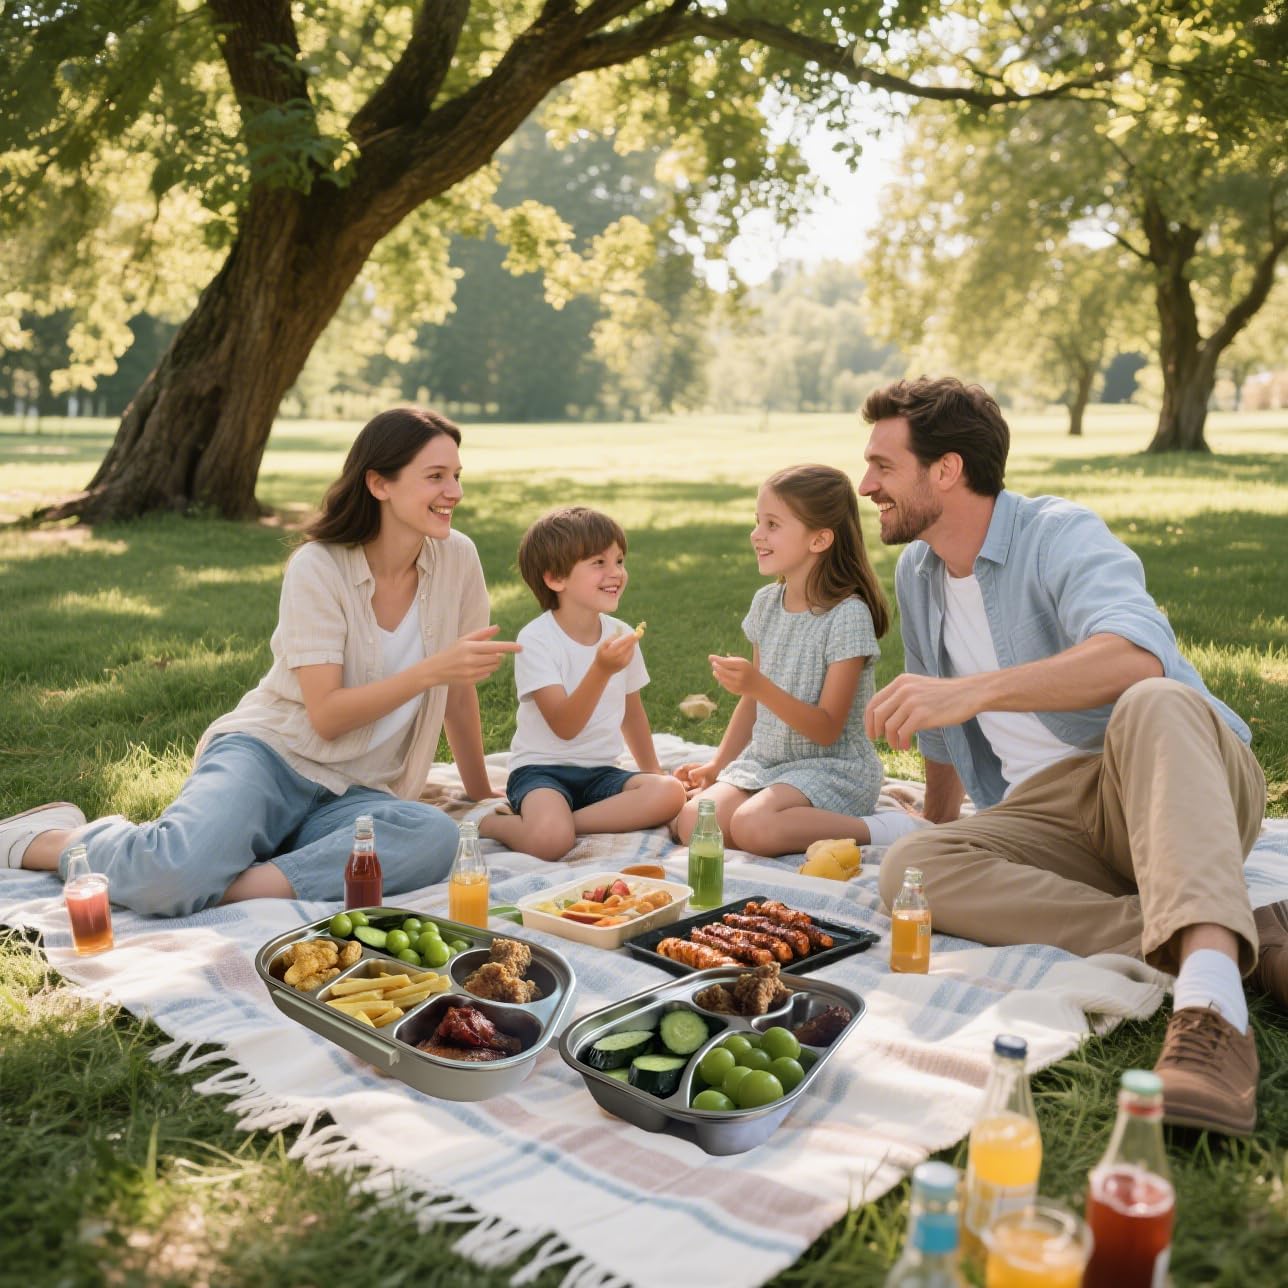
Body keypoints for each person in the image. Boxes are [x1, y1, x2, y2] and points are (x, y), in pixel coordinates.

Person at [858, 375, 1286, 1136]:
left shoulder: (1059, 533)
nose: (866, 486)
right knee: (911, 872)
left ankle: (1213, 1018)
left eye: (883, 467)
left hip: (1170, 777)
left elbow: (1135, 655)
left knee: (1152, 698)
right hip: (1053, 818)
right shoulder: (917, 573)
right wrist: (938, 821)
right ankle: (1223, 930)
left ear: (947, 470)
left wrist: (973, 692)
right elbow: (941, 728)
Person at [0, 407, 521, 915]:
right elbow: (328, 715)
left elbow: (457, 691)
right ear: (379, 483)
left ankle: (220, 881)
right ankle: (52, 839)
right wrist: (431, 671)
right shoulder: (319, 566)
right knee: (168, 878)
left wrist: (478, 793)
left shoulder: (458, 558)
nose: (454, 491)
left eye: (456, 475)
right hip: (271, 759)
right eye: (435, 476)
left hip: (359, 793)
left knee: (435, 836)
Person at [672, 464, 926, 855]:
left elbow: (826, 729)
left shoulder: (847, 616)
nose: (756, 534)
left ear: (819, 539)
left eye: (772, 524)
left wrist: (759, 686)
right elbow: (752, 703)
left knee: (753, 825)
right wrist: (718, 766)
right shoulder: (766, 604)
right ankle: (777, 823)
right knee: (694, 822)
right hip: (767, 763)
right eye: (757, 521)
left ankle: (881, 828)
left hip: (832, 769)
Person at [478, 506, 686, 860]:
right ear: (556, 579)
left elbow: (632, 713)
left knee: (670, 792)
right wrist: (601, 670)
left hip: (601, 774)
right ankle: (495, 824)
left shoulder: (620, 633)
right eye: (598, 563)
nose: (615, 572)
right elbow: (565, 726)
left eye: (619, 561)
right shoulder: (537, 639)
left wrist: (651, 773)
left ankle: (565, 823)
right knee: (550, 843)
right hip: (541, 773)